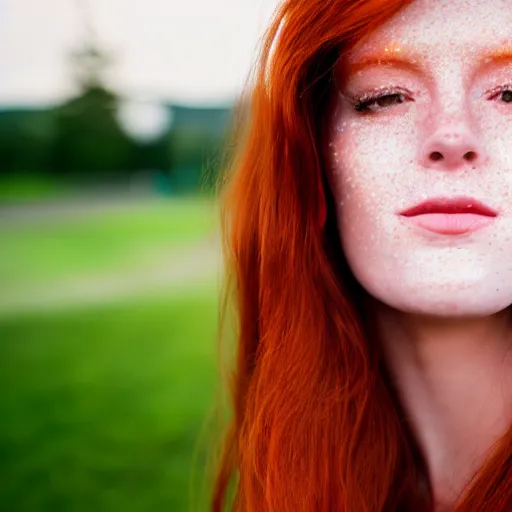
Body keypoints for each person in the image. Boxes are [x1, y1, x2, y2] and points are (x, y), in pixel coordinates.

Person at [212, 0, 512, 510]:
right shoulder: (302, 479)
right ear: (312, 151)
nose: (452, 136)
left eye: (511, 94)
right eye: (385, 97)